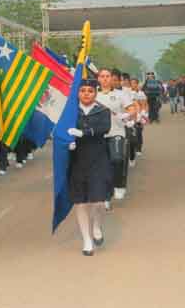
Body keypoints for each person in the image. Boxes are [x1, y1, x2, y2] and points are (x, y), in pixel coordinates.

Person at [67, 78, 112, 256]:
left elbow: (104, 128)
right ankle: (86, 240)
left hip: (98, 158)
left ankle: (97, 226)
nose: (86, 93)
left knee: (99, 201)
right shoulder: (71, 111)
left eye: (90, 90)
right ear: (78, 93)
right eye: (83, 90)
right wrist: (67, 141)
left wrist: (83, 133)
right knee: (80, 201)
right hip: (77, 159)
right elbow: (62, 129)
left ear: (95, 92)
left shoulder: (102, 110)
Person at [97, 69, 135, 201]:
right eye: (102, 76)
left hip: (117, 132)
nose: (105, 79)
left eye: (108, 76)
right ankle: (106, 194)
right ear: (98, 79)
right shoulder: (93, 94)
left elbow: (132, 109)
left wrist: (124, 115)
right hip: (99, 134)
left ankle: (119, 185)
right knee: (101, 165)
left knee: (117, 159)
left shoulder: (121, 94)